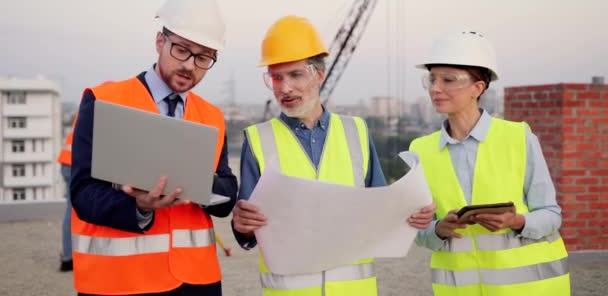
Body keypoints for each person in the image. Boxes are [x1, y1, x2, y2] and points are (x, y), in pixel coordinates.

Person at [231, 15, 436, 296]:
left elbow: (380, 210)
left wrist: (411, 214)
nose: (284, 87)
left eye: (295, 74)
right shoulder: (257, 139)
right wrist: (241, 226)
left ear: (319, 74)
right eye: (276, 77)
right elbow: (250, 229)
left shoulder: (357, 132)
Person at [69, 0, 237, 296]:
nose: (189, 65)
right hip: (122, 282)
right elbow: (82, 193)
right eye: (181, 49)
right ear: (160, 41)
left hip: (197, 283)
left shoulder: (211, 116)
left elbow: (226, 192)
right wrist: (139, 206)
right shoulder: (105, 101)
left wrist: (201, 184)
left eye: (203, 57)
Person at [410, 30, 570, 296]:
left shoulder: (519, 137)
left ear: (478, 88)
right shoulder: (420, 150)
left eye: (448, 79)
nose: (435, 88)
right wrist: (438, 228)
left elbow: (551, 215)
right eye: (432, 79)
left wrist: (516, 220)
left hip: (529, 289)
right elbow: (418, 230)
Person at [56, 120, 75, 272]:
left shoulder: (88, 104)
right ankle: (68, 258)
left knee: (71, 209)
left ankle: (68, 256)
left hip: (68, 162)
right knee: (72, 209)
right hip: (73, 164)